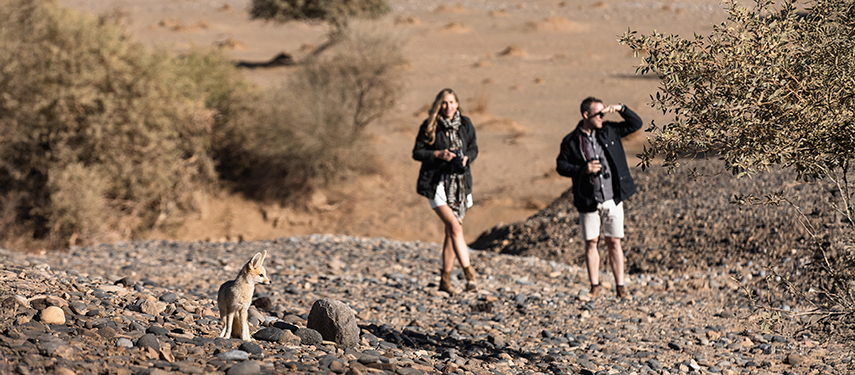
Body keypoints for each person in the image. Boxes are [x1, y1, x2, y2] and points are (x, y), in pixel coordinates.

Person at [556, 97, 642, 299]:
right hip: (588, 200)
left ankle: (620, 287)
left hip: (613, 198)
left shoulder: (610, 130)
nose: (603, 116)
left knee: (614, 241)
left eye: (604, 112)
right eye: (599, 113)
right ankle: (594, 286)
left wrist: (621, 108)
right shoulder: (571, 141)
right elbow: (561, 166)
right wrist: (582, 170)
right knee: (591, 242)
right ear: (586, 115)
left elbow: (636, 124)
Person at [412, 88, 479, 295]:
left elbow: (474, 148)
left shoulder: (466, 124)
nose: (448, 106)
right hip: (436, 184)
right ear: (438, 105)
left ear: (457, 104)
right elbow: (417, 152)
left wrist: (466, 157)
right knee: (454, 227)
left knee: (451, 233)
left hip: (460, 184)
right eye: (444, 103)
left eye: (451, 102)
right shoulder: (430, 125)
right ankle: (470, 275)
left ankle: (445, 279)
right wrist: (438, 154)